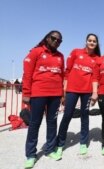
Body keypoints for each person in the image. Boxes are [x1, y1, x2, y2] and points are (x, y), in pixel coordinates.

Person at [22, 30, 64, 168]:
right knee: (35, 123)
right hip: (38, 94)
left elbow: (61, 76)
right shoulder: (36, 52)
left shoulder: (60, 56)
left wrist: (62, 95)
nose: (56, 41)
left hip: (55, 95)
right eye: (54, 38)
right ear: (47, 38)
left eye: (59, 40)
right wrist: (26, 94)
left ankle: (50, 149)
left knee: (52, 122)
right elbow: (27, 74)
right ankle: (31, 155)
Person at [56, 33, 101, 157]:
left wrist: (95, 93)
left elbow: (95, 77)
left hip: (87, 91)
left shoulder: (97, 58)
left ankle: (83, 142)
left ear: (96, 44)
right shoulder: (76, 52)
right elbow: (67, 71)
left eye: (94, 41)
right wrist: (63, 92)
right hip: (72, 90)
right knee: (67, 115)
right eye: (90, 40)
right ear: (86, 41)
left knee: (84, 116)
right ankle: (60, 143)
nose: (92, 42)